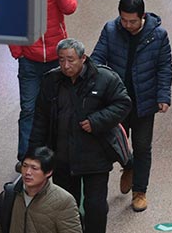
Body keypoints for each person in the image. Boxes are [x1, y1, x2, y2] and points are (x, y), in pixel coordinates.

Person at [28, 38, 131, 233]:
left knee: (95, 206)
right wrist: (33, 155)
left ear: (83, 58)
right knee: (67, 207)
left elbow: (123, 104)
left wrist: (97, 121)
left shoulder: (105, 78)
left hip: (96, 156)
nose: (65, 66)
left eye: (71, 60)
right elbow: (40, 119)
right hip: (63, 157)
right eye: (61, 60)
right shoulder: (51, 81)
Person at [89, 0, 172, 213]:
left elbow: (164, 67)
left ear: (142, 17)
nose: (127, 25)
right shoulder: (110, 30)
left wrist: (163, 95)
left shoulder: (158, 36)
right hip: (116, 103)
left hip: (144, 101)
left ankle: (140, 191)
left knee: (143, 147)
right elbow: (97, 58)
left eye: (132, 21)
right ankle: (129, 164)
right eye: (123, 20)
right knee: (115, 144)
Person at [9, 0, 74, 167]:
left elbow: (69, 7)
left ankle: (53, 154)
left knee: (58, 108)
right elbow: (11, 17)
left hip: (58, 59)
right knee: (29, 109)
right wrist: (18, 51)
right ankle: (26, 157)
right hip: (30, 60)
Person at [0, 146, 81, 233]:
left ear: (48, 172)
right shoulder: (10, 193)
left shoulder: (64, 201)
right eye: (25, 166)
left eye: (34, 168)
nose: (27, 172)